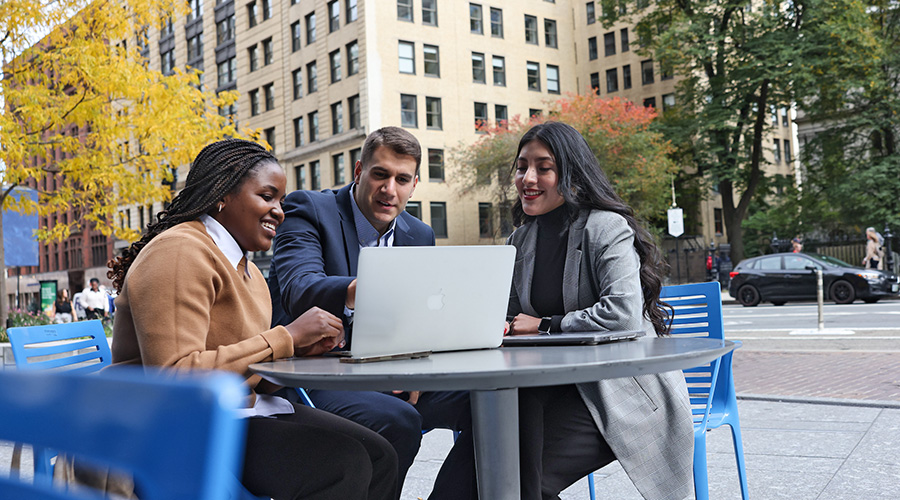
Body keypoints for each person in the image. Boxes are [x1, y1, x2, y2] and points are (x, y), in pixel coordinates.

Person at [107, 138, 398, 500]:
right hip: (174, 428)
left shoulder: (248, 271)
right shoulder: (180, 251)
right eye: (267, 196)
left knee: (380, 453)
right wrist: (285, 337)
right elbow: (176, 378)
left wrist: (296, 353)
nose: (280, 210)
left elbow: (251, 377)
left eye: (280, 200)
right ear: (222, 196)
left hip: (234, 412)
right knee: (344, 463)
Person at [268, 126, 475, 499]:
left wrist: (418, 368)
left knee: (488, 400)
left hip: (393, 374)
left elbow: (419, 316)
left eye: (402, 179)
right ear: (360, 170)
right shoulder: (309, 209)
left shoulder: (419, 234)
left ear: (415, 185)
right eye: (380, 174)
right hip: (316, 376)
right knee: (400, 421)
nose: (389, 189)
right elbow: (300, 289)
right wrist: (363, 289)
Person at [504, 122, 694, 500]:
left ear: (570, 173)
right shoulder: (519, 240)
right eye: (522, 166)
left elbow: (622, 313)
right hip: (538, 390)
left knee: (520, 484)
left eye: (544, 167)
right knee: (481, 472)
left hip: (614, 391)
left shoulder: (606, 228)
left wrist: (544, 325)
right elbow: (509, 316)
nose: (528, 177)